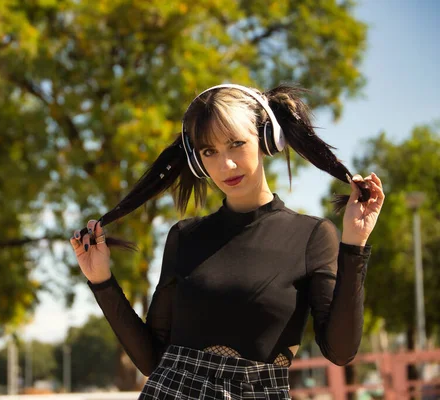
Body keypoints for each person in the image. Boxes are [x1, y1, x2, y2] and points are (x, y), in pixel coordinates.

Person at [69, 83, 384, 399]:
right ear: (197, 159)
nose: (226, 165)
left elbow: (341, 352)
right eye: (210, 151)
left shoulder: (312, 237)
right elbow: (153, 359)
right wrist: (102, 281)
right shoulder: (184, 237)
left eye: (236, 144)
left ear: (266, 140)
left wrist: (354, 245)